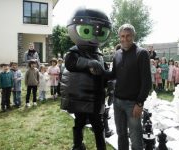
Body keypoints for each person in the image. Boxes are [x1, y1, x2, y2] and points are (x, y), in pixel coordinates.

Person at [60, 8, 111, 150]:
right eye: (87, 31)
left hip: (95, 97)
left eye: (101, 32)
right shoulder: (74, 51)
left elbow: (105, 73)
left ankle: (101, 147)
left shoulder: (100, 55)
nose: (94, 37)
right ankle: (77, 145)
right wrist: (88, 63)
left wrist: (111, 81)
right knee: (79, 122)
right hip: (79, 95)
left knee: (98, 125)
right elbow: (70, 64)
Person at [106, 24, 152, 150]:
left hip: (133, 104)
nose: (124, 39)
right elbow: (113, 74)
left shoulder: (141, 53)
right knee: (121, 135)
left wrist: (140, 103)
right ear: (119, 37)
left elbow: (147, 82)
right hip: (117, 102)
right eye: (122, 36)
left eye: (128, 36)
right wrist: (99, 71)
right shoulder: (117, 54)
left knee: (135, 137)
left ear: (133, 36)